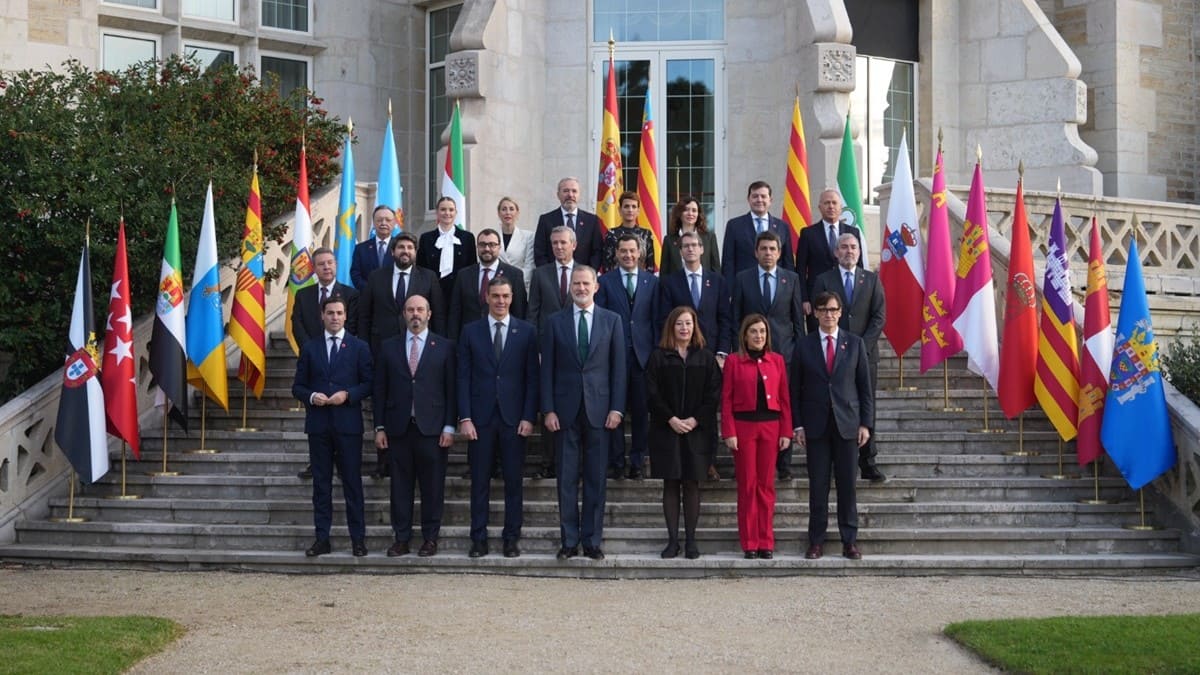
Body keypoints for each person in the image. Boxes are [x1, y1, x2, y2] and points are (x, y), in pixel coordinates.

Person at [541, 265, 626, 561]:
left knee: (596, 478)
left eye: (585, 283)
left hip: (600, 411)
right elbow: (547, 370)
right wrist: (548, 409)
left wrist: (617, 407)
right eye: (576, 283)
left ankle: (592, 541)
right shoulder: (554, 322)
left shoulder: (612, 321)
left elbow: (619, 368)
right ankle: (569, 540)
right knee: (565, 479)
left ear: (596, 286)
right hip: (564, 411)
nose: (580, 288)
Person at [456, 276, 539, 558]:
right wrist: (464, 417)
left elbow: (532, 379)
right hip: (480, 419)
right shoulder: (470, 332)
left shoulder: (526, 332)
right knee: (479, 482)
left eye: (505, 296)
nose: (500, 301)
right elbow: (463, 377)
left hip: (514, 419)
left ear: (512, 298)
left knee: (514, 482)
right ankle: (478, 537)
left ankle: (510, 538)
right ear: (487, 298)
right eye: (495, 296)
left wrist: (529, 416)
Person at [791, 291, 873, 561]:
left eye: (833, 309)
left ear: (840, 312)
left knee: (848, 486)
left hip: (847, 425)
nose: (829, 314)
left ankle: (849, 540)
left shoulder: (855, 343)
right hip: (815, 426)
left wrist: (865, 423)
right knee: (818, 486)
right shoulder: (804, 345)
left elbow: (865, 388)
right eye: (823, 309)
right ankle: (816, 541)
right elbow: (795, 389)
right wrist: (798, 425)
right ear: (815, 313)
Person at [373, 294, 456, 558]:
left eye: (420, 309)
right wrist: (379, 427)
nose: (415, 314)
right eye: (410, 310)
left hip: (432, 430)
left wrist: (449, 427)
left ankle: (430, 538)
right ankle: (402, 538)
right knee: (400, 487)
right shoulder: (388, 347)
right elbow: (379, 390)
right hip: (398, 429)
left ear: (429, 314)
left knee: (432, 487)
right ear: (404, 314)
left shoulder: (444, 347)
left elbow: (451, 391)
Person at [291, 296, 373, 558]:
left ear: (346, 316)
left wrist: (348, 395)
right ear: (322, 316)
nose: (335, 317)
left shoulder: (359, 347)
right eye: (330, 313)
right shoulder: (310, 348)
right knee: (321, 486)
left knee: (352, 485)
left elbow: (369, 383)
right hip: (319, 426)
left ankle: (357, 540)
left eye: (339, 313)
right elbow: (297, 387)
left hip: (348, 426)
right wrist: (312, 397)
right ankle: (322, 538)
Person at [657, 229, 733, 481]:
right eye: (685, 246)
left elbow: (725, 319)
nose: (690, 249)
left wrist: (722, 353)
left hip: (710, 356)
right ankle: (686, 462)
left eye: (695, 245)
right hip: (681, 356)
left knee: (707, 411)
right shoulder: (670, 282)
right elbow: (666, 319)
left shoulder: (718, 281)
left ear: (702, 249)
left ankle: (708, 462)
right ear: (680, 252)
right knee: (684, 407)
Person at [646, 306, 721, 559]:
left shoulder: (706, 357)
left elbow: (713, 395)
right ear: (671, 326)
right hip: (666, 429)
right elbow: (651, 393)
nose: (684, 328)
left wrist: (694, 419)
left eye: (688, 323)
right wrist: (671, 418)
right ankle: (672, 541)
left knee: (691, 483)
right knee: (670, 483)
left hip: (697, 431)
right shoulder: (658, 356)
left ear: (694, 326)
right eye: (679, 324)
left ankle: (691, 541)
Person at [811, 233, 886, 483]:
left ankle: (868, 461)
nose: (849, 251)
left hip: (865, 354)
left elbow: (878, 317)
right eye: (843, 247)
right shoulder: (824, 280)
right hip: (832, 356)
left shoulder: (872, 280)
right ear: (836, 252)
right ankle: (836, 461)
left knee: (867, 404)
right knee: (835, 405)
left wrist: (860, 349)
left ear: (859, 251)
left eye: (853, 247)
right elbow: (818, 316)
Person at [731, 230, 805, 481]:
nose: (768, 253)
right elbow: (736, 318)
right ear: (756, 252)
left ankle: (784, 464)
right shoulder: (743, 279)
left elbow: (797, 320)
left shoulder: (791, 279)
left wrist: (799, 351)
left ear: (780, 252)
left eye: (773, 249)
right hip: (750, 356)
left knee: (784, 404)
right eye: (763, 249)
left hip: (784, 355)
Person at [721, 314, 792, 559]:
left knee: (766, 486)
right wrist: (728, 430)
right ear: (745, 335)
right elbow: (726, 399)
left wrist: (786, 431)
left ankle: (766, 541)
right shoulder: (733, 361)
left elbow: (784, 399)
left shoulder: (777, 361)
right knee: (748, 486)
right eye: (753, 331)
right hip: (743, 429)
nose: (759, 336)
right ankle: (750, 542)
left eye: (762, 331)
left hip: (771, 428)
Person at [291, 246, 359, 481]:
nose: (326, 267)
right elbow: (296, 324)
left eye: (330, 263)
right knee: (317, 419)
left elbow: (352, 326)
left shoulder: (350, 294)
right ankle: (317, 462)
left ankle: (342, 463)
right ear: (314, 268)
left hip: (343, 366)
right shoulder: (303, 295)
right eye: (321, 264)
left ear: (336, 265)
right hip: (314, 366)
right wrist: (313, 351)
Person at [596, 233, 658, 480]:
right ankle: (617, 461)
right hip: (613, 356)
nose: (628, 255)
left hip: (643, 357)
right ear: (616, 253)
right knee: (615, 409)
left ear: (640, 253)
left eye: (632, 251)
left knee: (642, 412)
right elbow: (600, 319)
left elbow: (655, 320)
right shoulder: (606, 281)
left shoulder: (651, 282)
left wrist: (654, 352)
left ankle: (637, 460)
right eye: (623, 251)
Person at [527, 225, 579, 481]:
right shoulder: (540, 274)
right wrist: (537, 348)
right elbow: (533, 313)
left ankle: (573, 464)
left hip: (576, 354)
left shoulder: (584, 274)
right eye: (555, 243)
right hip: (547, 352)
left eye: (563, 243)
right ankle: (548, 462)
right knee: (549, 406)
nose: (559, 247)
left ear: (573, 245)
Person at [359, 232, 445, 354]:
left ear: (415, 253)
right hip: (380, 346)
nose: (405, 251)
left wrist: (438, 347)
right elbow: (364, 316)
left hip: (418, 345)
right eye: (401, 247)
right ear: (392, 252)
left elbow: (438, 316)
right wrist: (364, 348)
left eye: (410, 248)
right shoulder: (376, 277)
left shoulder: (429, 277)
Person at [796, 188, 863, 332]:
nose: (831, 206)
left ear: (840, 207)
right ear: (820, 207)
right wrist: (804, 298)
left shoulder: (853, 232)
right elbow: (800, 269)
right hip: (817, 297)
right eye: (827, 203)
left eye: (834, 203)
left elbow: (860, 265)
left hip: (846, 294)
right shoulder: (808, 233)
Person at [447, 228, 527, 341]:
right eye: (482, 244)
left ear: (499, 247)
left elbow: (519, 311)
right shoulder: (463, 275)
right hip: (470, 340)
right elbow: (455, 313)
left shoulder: (514, 274)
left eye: (492, 245)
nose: (487, 249)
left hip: (502, 338)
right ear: (477, 247)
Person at [721, 181, 795, 288]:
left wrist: (789, 288)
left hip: (776, 288)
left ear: (770, 200)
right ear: (748, 199)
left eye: (763, 196)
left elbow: (788, 262)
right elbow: (728, 262)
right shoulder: (734, 225)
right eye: (755, 196)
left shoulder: (782, 227)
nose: (759, 200)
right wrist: (729, 291)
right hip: (744, 288)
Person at [533, 177, 603, 269]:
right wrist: (549, 276)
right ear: (558, 195)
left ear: (579, 195)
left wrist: (588, 274)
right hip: (554, 278)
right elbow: (540, 252)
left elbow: (597, 252)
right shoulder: (546, 220)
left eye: (574, 191)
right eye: (566, 191)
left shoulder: (591, 220)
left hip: (584, 278)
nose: (570, 195)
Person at [418, 196, 476, 304]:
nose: (447, 213)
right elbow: (421, 268)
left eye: (451, 209)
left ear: (456, 212)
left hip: (460, 294)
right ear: (437, 212)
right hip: (432, 293)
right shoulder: (426, 238)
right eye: (443, 209)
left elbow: (472, 267)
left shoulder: (467, 238)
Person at [658, 195, 720, 277]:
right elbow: (664, 273)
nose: (690, 213)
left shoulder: (709, 238)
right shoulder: (669, 240)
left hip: (704, 287)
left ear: (698, 214)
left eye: (694, 210)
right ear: (679, 213)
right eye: (686, 210)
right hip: (677, 287)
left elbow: (716, 269)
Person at [600, 191, 656, 273]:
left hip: (641, 282)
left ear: (638, 211)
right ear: (620, 210)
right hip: (616, 282)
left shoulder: (646, 234)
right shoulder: (612, 234)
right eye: (626, 206)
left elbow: (650, 265)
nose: (630, 210)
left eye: (634, 207)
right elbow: (607, 266)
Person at [349, 205, 398, 290]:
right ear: (374, 223)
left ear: (394, 223)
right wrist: (371, 290)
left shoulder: (400, 247)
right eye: (379, 220)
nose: (383, 223)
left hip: (394, 298)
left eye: (388, 220)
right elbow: (355, 274)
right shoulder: (361, 249)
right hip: (368, 298)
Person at [496, 197, 535, 293]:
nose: (507, 212)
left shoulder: (528, 236)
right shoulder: (493, 237)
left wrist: (512, 282)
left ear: (517, 213)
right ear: (499, 213)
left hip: (520, 287)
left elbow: (529, 267)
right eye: (504, 209)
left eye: (511, 209)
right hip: (497, 287)